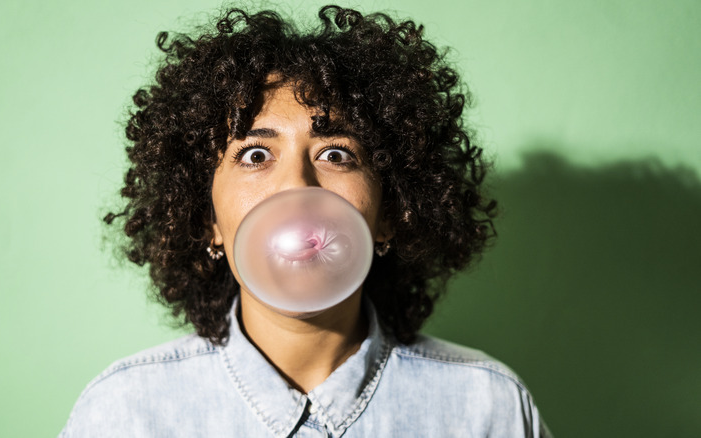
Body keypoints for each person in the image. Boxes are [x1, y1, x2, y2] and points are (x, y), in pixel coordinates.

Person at [60, 5, 551, 437]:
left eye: (336, 153)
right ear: (206, 217)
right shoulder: (125, 414)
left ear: (391, 215)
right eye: (254, 154)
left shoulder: (489, 407)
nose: (297, 186)